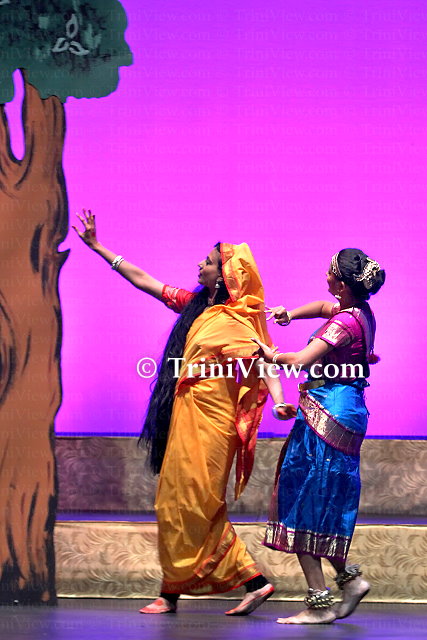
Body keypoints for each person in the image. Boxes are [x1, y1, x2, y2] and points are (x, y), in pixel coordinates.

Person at [73, 210, 296, 616]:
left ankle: (241, 582)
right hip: (185, 413)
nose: (199, 265)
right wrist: (99, 247)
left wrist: (280, 399)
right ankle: (182, 589)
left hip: (213, 422)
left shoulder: (235, 319)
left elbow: (263, 362)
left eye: (207, 262)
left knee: (198, 501)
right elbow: (145, 281)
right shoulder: (196, 307)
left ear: (224, 276)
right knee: (172, 499)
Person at [254, 248, 385, 625]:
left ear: (341, 285)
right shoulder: (359, 312)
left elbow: (300, 361)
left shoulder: (342, 323)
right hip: (341, 410)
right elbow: (321, 307)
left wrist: (269, 356)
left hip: (327, 415)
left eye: (330, 272)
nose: (325, 275)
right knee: (322, 500)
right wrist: (290, 314)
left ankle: (319, 603)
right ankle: (350, 581)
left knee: (304, 501)